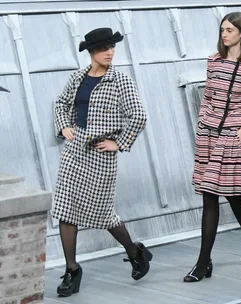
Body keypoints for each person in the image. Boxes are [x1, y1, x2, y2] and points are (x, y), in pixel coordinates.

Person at [53, 28, 151, 296]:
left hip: (100, 156)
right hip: (74, 154)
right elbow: (60, 104)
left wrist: (118, 143)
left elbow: (138, 116)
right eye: (103, 48)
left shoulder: (120, 80)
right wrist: (64, 127)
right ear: (91, 52)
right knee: (65, 210)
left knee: (102, 212)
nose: (109, 52)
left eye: (112, 47)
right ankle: (72, 270)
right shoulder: (77, 78)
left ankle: (134, 251)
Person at [184, 12, 241, 283]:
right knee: (214, 195)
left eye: (230, 30)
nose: (224, 34)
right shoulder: (213, 61)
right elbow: (208, 95)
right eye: (222, 29)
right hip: (209, 134)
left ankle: (205, 261)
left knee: (227, 194)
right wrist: (203, 122)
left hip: (233, 136)